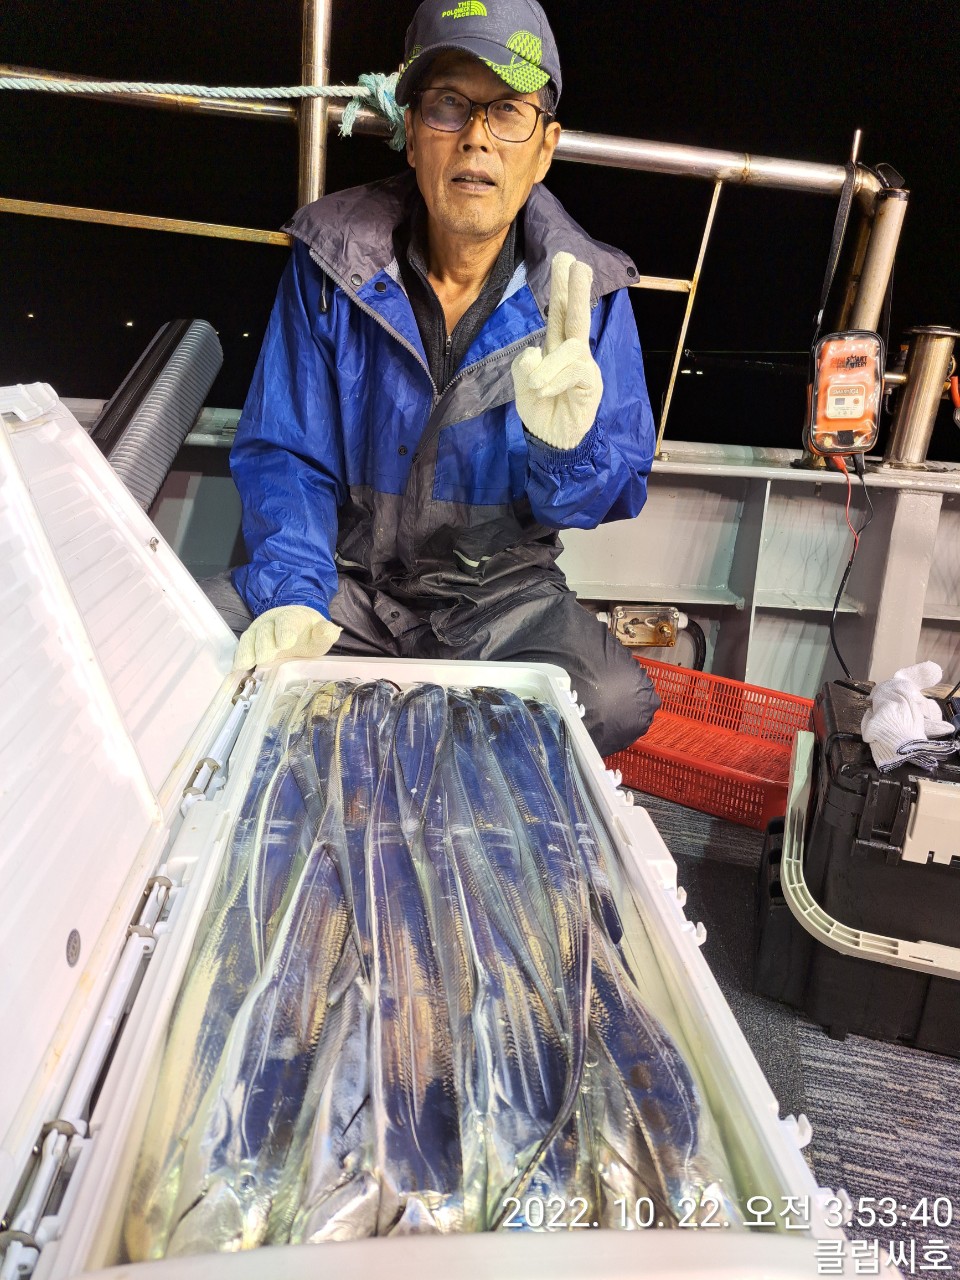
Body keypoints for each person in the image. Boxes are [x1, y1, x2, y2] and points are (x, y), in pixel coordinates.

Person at [204, 0, 659, 756]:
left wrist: (568, 450)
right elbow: (286, 453)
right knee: (190, 639)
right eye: (449, 104)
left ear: (545, 148)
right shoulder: (330, 263)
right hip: (344, 583)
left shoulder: (588, 295)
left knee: (612, 701)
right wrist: (292, 594)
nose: (476, 136)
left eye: (507, 110)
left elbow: (611, 494)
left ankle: (412, 757)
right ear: (411, 132)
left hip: (499, 598)